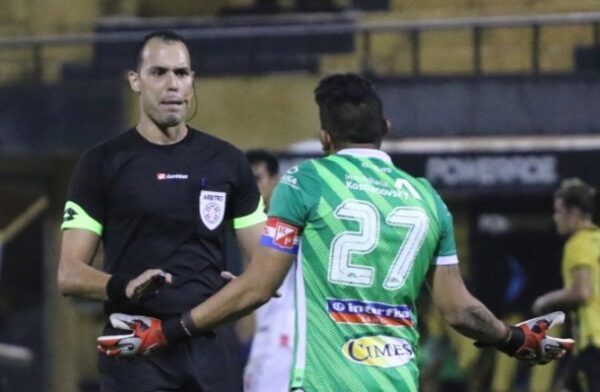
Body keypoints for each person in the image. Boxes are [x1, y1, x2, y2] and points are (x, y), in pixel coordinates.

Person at [97, 73, 573, 391]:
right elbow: (459, 309)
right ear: (385, 127)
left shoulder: (305, 182)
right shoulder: (427, 198)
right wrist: (515, 340)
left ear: (325, 138)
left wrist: (168, 330)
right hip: (396, 382)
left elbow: (259, 288)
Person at [57, 30, 266, 391]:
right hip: (135, 347)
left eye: (182, 73)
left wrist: (249, 286)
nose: (173, 85)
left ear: (192, 81)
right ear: (135, 81)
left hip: (210, 345)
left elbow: (265, 264)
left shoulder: (227, 162)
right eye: (159, 73)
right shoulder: (101, 163)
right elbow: (69, 274)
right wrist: (124, 286)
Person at [532, 178, 600, 392]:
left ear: (573, 212)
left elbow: (581, 292)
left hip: (593, 341)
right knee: (565, 387)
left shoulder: (577, 244)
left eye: (559, 212)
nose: (556, 218)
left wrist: (544, 301)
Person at [243, 149, 296, 392]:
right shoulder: (249, 228)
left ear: (275, 179)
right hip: (263, 340)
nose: (252, 189)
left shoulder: (292, 223)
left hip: (288, 339)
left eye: (257, 179)